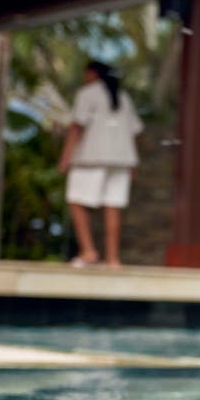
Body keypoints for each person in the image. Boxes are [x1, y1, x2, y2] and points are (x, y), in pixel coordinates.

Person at [58, 60, 142, 269]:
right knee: (112, 206)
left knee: (76, 200)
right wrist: (133, 163)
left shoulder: (88, 94)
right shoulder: (123, 97)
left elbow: (77, 126)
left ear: (93, 73)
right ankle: (113, 259)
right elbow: (132, 132)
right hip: (121, 160)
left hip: (91, 158)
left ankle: (88, 251)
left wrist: (65, 157)